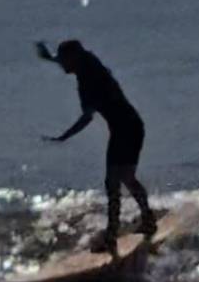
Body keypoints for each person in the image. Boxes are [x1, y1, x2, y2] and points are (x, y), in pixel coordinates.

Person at [36, 39, 156, 254]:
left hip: (127, 128)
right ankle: (147, 219)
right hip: (126, 127)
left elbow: (87, 118)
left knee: (114, 181)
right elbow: (73, 58)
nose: (61, 65)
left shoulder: (90, 79)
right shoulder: (87, 63)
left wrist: (64, 136)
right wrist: (49, 58)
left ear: (73, 59)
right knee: (125, 178)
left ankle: (112, 235)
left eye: (63, 60)